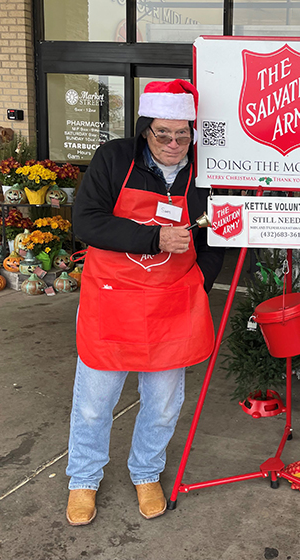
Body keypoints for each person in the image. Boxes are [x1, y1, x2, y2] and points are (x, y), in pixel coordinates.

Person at [65, 79, 224, 526]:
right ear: (144, 130)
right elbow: (86, 222)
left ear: (193, 132)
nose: (173, 144)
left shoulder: (207, 173)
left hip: (172, 305)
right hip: (111, 300)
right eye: (162, 134)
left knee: (164, 402)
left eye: (182, 134)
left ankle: (146, 471)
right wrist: (154, 238)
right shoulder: (114, 159)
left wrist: (199, 282)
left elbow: (217, 238)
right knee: (95, 401)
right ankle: (83, 478)